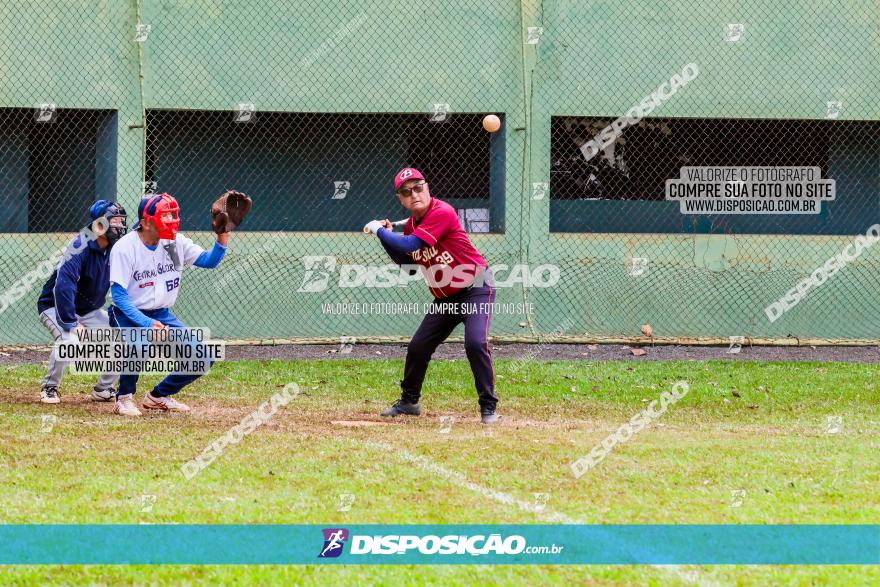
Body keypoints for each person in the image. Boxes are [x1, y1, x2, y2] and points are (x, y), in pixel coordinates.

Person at [365, 168, 499, 424]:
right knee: (418, 347)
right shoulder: (413, 226)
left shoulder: (442, 212)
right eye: (406, 192)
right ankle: (409, 402)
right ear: (401, 199)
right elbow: (409, 266)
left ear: (427, 188)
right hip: (446, 298)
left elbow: (411, 246)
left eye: (418, 187)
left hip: (476, 287)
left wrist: (380, 231)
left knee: (475, 343)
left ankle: (488, 406)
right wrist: (385, 237)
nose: (414, 194)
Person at [108, 193, 231, 417]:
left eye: (172, 215)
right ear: (145, 223)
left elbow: (209, 261)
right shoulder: (125, 247)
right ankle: (123, 398)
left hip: (162, 313)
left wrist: (222, 235)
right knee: (139, 347)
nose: (171, 221)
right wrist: (145, 323)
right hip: (127, 313)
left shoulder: (175, 241)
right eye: (164, 216)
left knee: (202, 357)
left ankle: (158, 396)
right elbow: (119, 295)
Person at [37, 200, 128, 404]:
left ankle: (103, 389)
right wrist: (70, 322)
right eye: (114, 221)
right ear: (99, 224)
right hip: (55, 306)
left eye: (121, 221)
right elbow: (63, 286)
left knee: (124, 336)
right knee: (69, 341)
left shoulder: (116, 248)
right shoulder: (80, 245)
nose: (119, 226)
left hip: (88, 310)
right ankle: (50, 387)